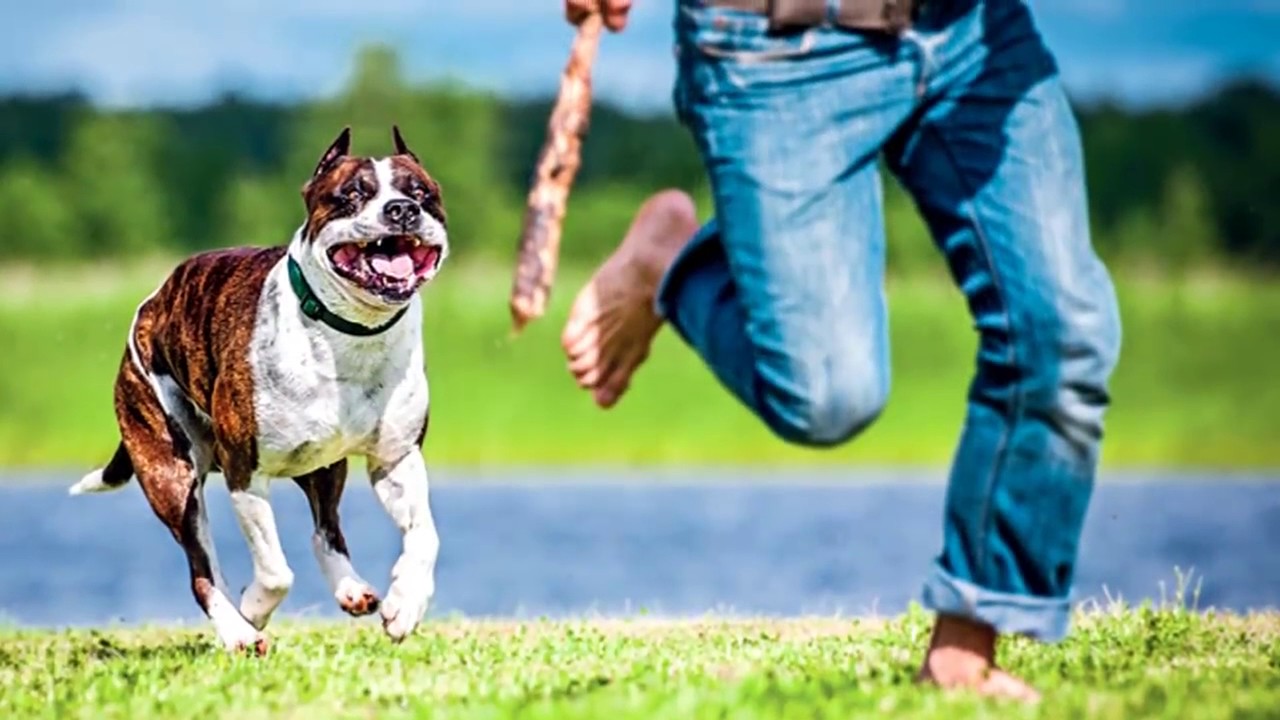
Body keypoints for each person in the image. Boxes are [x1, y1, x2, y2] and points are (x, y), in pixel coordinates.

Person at [560, 0, 1122, 702]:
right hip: (778, 42)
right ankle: (676, 263)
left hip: (974, 34)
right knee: (827, 398)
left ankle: (964, 653)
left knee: (1061, 328)